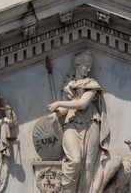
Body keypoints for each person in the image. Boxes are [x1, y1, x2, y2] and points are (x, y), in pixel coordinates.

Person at [46, 53, 109, 193]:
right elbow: (64, 108)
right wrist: (55, 114)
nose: (88, 69)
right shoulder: (67, 85)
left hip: (90, 124)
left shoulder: (92, 84)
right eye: (86, 66)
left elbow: (82, 104)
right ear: (77, 65)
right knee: (75, 160)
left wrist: (58, 103)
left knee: (88, 165)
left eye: (90, 67)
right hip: (71, 123)